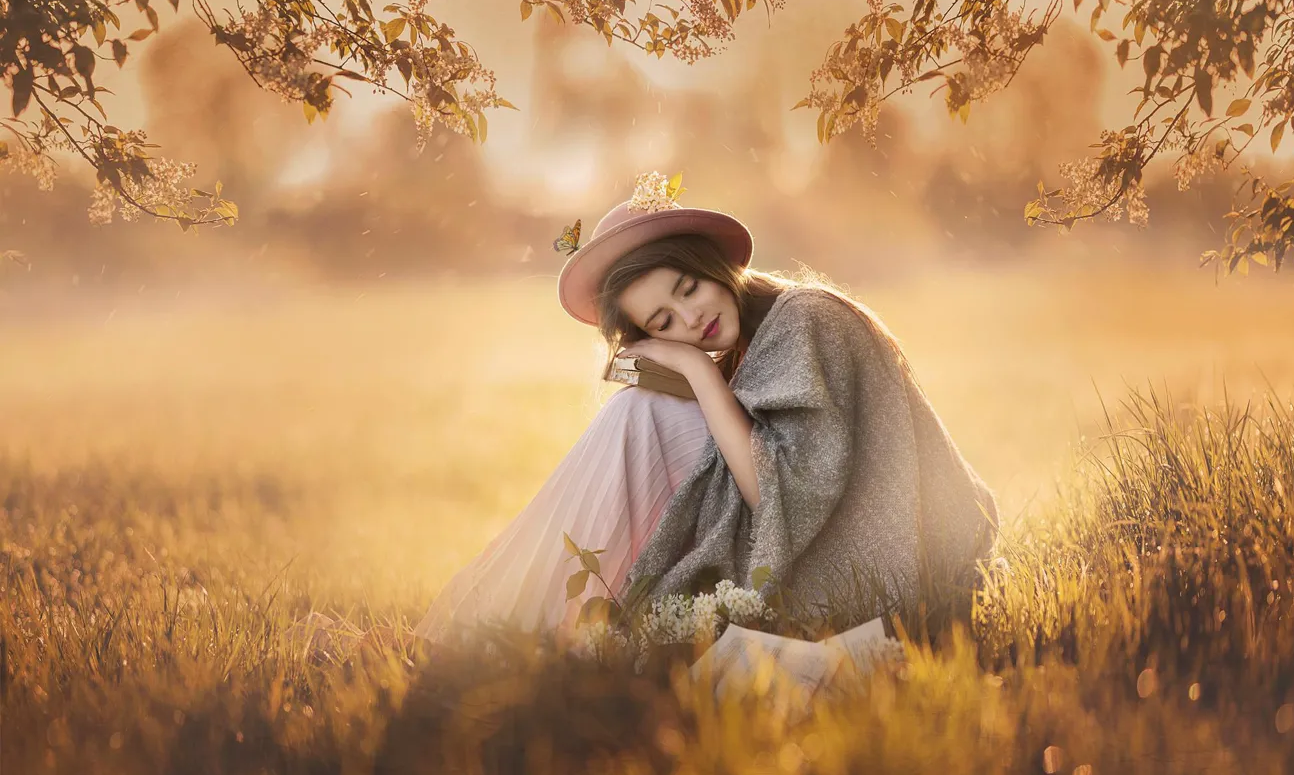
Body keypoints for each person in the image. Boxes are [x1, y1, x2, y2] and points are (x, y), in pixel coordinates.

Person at [412, 171, 999, 643]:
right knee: (639, 409)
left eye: (689, 289)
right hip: (810, 541)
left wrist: (693, 368)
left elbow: (776, 494)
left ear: (714, 266)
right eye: (664, 323)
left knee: (636, 415)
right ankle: (518, 622)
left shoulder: (806, 317)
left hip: (870, 559)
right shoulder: (747, 349)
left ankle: (510, 627)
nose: (691, 320)